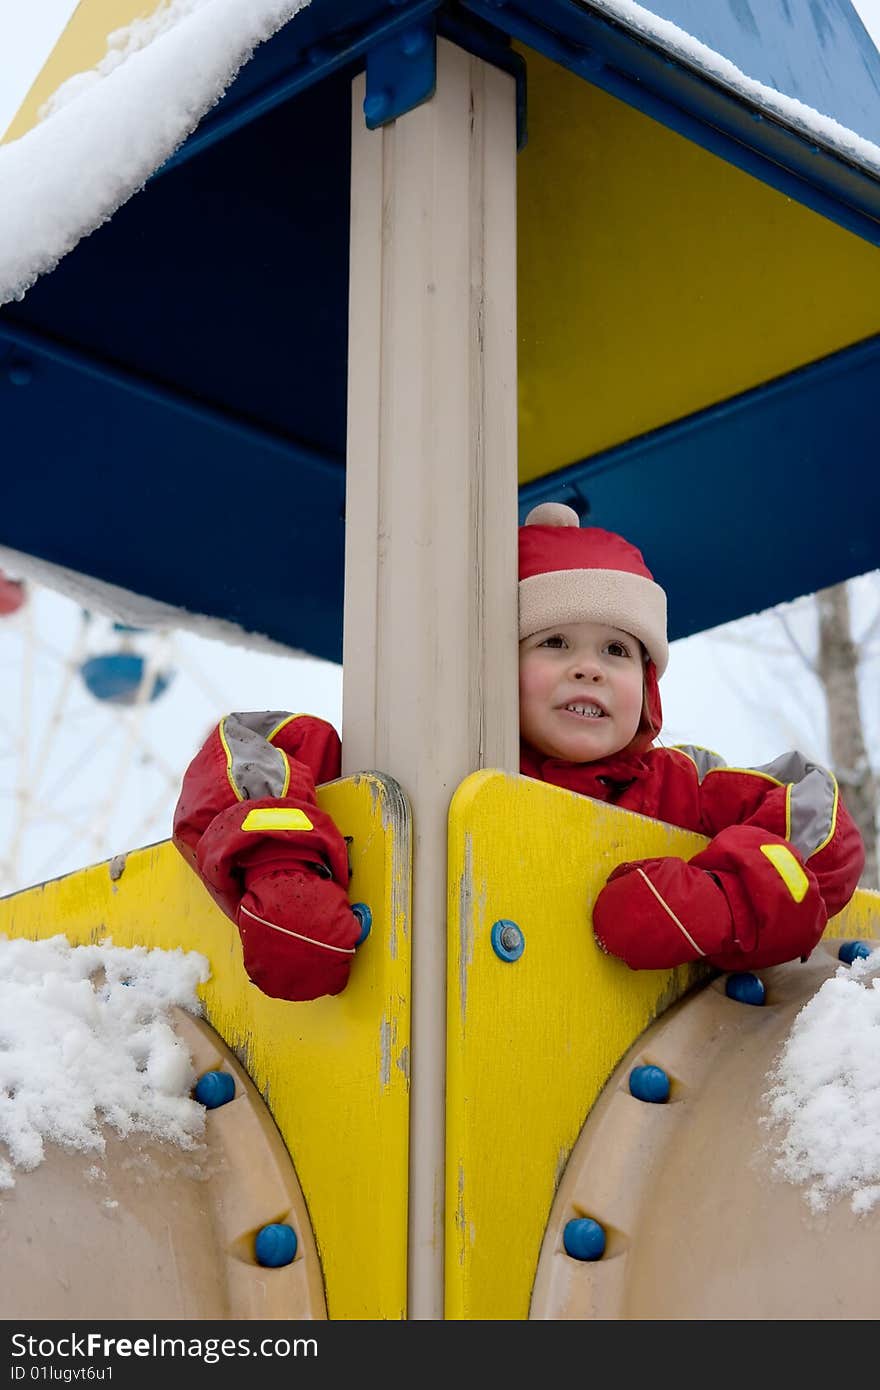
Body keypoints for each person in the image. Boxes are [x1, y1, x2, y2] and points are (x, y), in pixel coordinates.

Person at [172, 501, 865, 1000]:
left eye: (618, 651)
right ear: (491, 671)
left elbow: (815, 824)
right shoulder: (418, 761)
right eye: (554, 643)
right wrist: (285, 873)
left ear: (647, 687)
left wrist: (721, 902)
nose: (589, 667)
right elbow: (251, 748)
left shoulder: (682, 787)